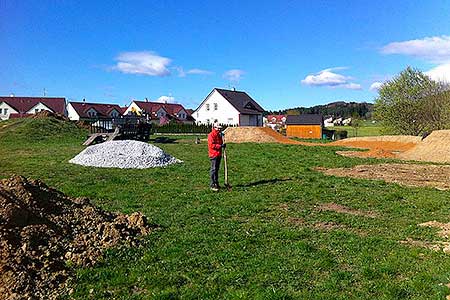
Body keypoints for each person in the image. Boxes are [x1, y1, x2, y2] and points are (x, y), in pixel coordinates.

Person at [208, 122, 226, 191]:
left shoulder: (219, 135)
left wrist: (223, 144)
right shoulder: (211, 135)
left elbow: (221, 142)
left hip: (219, 154)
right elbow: (211, 145)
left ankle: (216, 183)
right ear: (214, 128)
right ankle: (212, 184)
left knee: (217, 170)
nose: (219, 129)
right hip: (213, 154)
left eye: (220, 128)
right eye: (218, 128)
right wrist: (220, 146)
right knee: (213, 169)